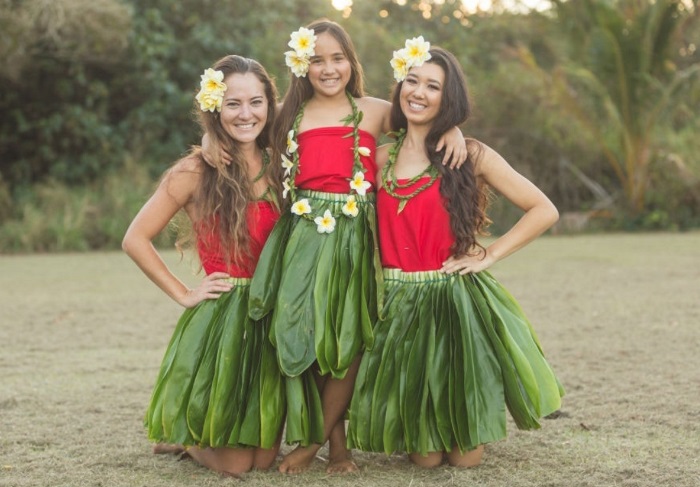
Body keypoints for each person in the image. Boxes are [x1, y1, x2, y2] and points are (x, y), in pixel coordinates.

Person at [245, 19, 469, 475]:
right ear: (300, 65)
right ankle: (335, 444)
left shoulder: (374, 110)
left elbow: (422, 121)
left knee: (347, 343)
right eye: (316, 60)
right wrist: (211, 137)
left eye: (338, 58)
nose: (328, 68)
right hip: (303, 236)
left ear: (352, 61)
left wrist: (457, 132)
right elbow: (239, 131)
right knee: (306, 335)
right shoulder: (288, 112)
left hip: (355, 237)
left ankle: (323, 447)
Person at [347, 42, 565, 468]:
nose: (419, 92)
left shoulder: (469, 154)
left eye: (434, 87)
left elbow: (544, 210)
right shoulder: (377, 158)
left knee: (466, 460)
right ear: (399, 87)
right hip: (398, 305)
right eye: (412, 81)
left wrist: (489, 254)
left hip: (453, 301)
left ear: (450, 100)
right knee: (425, 460)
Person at [122, 55, 286, 477]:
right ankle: (186, 443)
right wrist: (184, 292)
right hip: (225, 317)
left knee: (265, 461)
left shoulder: (285, 164)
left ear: (270, 105)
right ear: (215, 107)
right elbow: (135, 239)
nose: (245, 114)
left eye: (255, 102)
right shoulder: (195, 170)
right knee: (236, 466)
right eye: (232, 104)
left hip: (273, 313)